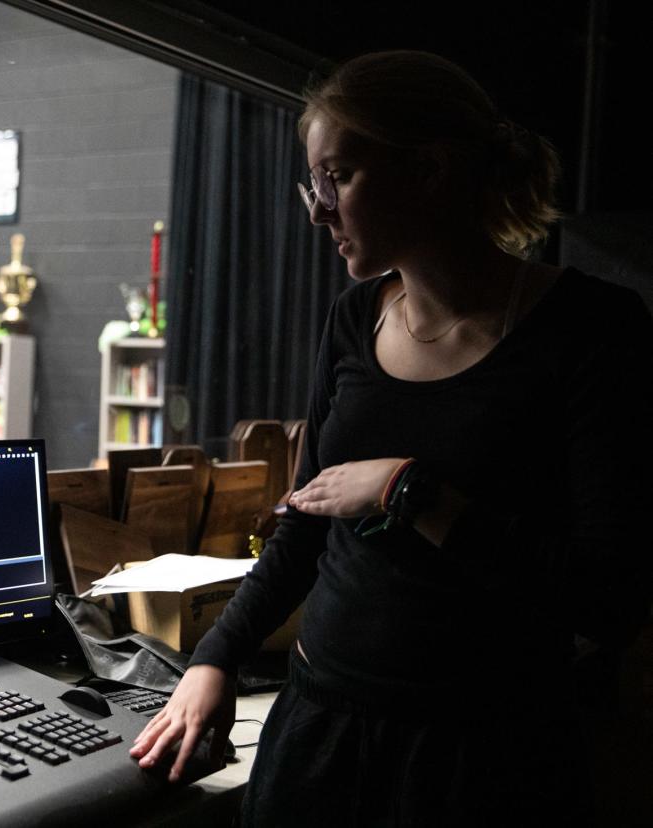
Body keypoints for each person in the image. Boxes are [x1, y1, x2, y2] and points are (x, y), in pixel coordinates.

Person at [129, 49, 653, 825]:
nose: (318, 209)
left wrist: (411, 493)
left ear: (429, 171)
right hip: (319, 733)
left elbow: (610, 600)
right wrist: (214, 659)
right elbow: (301, 532)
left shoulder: (594, 331)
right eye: (315, 183)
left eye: (338, 177)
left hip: (489, 762)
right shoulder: (353, 320)